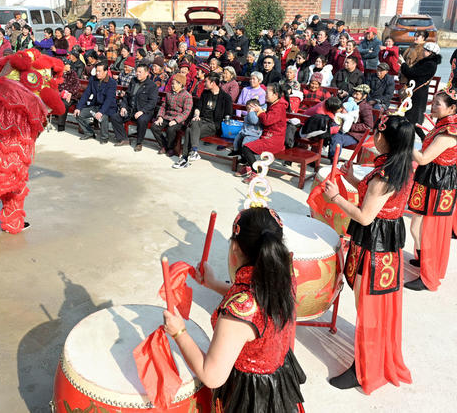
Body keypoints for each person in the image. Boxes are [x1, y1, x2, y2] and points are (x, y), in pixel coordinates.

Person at [163, 207, 306, 412]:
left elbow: (212, 375)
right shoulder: (284, 275)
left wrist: (179, 332)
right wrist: (213, 284)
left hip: (253, 398)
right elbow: (258, 300)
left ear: (236, 249)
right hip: (278, 378)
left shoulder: (238, 315)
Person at [323, 115, 414, 394]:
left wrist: (335, 198)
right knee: (374, 308)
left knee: (368, 308)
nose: (374, 136)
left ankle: (364, 370)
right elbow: (374, 200)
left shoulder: (384, 177)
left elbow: (364, 216)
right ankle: (371, 359)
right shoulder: (399, 166)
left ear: (387, 139)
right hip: (386, 243)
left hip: (375, 244)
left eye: (377, 132)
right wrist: (351, 179)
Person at [406, 91, 457, 291]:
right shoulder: (442, 125)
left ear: (452, 108)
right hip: (429, 178)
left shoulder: (449, 133)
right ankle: (423, 258)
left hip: (439, 183)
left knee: (429, 230)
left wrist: (405, 141)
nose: (432, 106)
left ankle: (429, 275)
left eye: (437, 104)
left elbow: (423, 158)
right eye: (433, 102)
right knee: (416, 225)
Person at [174, 72, 232, 169]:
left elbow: (228, 115)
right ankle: (193, 151)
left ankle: (185, 158)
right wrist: (197, 115)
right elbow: (198, 107)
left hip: (213, 124)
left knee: (189, 130)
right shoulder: (205, 93)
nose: (204, 83)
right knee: (193, 123)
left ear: (213, 83)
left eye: (206, 82)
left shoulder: (226, 98)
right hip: (201, 121)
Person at [235, 83, 289, 182]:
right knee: (244, 140)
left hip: (273, 139)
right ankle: (248, 167)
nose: (265, 95)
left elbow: (267, 120)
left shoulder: (279, 107)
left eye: (267, 93)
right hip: (266, 135)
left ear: (275, 95)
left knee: (247, 148)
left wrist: (260, 112)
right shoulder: (272, 104)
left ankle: (256, 172)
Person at [110, 63, 158, 151]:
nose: (137, 74)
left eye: (140, 72)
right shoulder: (133, 81)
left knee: (142, 119)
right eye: (137, 72)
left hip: (144, 111)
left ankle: (139, 143)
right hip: (131, 109)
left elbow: (152, 102)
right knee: (115, 117)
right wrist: (123, 106)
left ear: (147, 73)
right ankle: (124, 139)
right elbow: (126, 96)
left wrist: (142, 111)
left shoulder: (152, 86)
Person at [400, 42, 441, 139]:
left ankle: (424, 140)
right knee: (410, 119)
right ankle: (414, 139)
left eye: (426, 50)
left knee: (413, 121)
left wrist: (403, 63)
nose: (423, 51)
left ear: (431, 53)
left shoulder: (430, 64)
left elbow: (411, 73)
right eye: (424, 49)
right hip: (414, 92)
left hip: (419, 94)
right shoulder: (424, 62)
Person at [74, 62, 117, 144]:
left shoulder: (111, 83)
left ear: (105, 72)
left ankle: (104, 137)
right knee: (78, 114)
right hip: (95, 106)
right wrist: (78, 107)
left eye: (99, 71)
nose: (97, 73)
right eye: (96, 71)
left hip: (108, 107)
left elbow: (109, 100)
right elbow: (86, 94)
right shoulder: (93, 79)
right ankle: (89, 133)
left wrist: (101, 112)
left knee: (103, 117)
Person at [151, 72, 193, 156]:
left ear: (180, 84)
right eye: (172, 84)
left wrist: (176, 120)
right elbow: (163, 107)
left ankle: (171, 148)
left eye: (174, 84)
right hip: (167, 117)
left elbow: (186, 112)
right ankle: (164, 145)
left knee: (171, 129)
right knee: (154, 126)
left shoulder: (187, 96)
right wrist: (160, 117)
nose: (172, 85)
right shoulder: (169, 94)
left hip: (179, 120)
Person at [328, 84, 373, 159]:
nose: (354, 95)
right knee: (325, 130)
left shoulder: (365, 107)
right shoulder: (348, 100)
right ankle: (315, 157)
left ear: (364, 96)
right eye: (354, 93)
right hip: (341, 128)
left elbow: (368, 126)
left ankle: (334, 160)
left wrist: (350, 127)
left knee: (337, 137)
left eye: (357, 94)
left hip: (354, 135)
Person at [55, 61, 81, 131]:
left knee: (64, 104)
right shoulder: (59, 73)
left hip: (71, 96)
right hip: (60, 94)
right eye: (66, 65)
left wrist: (70, 93)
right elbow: (56, 83)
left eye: (67, 65)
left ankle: (61, 126)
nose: (68, 66)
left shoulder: (73, 74)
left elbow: (77, 86)